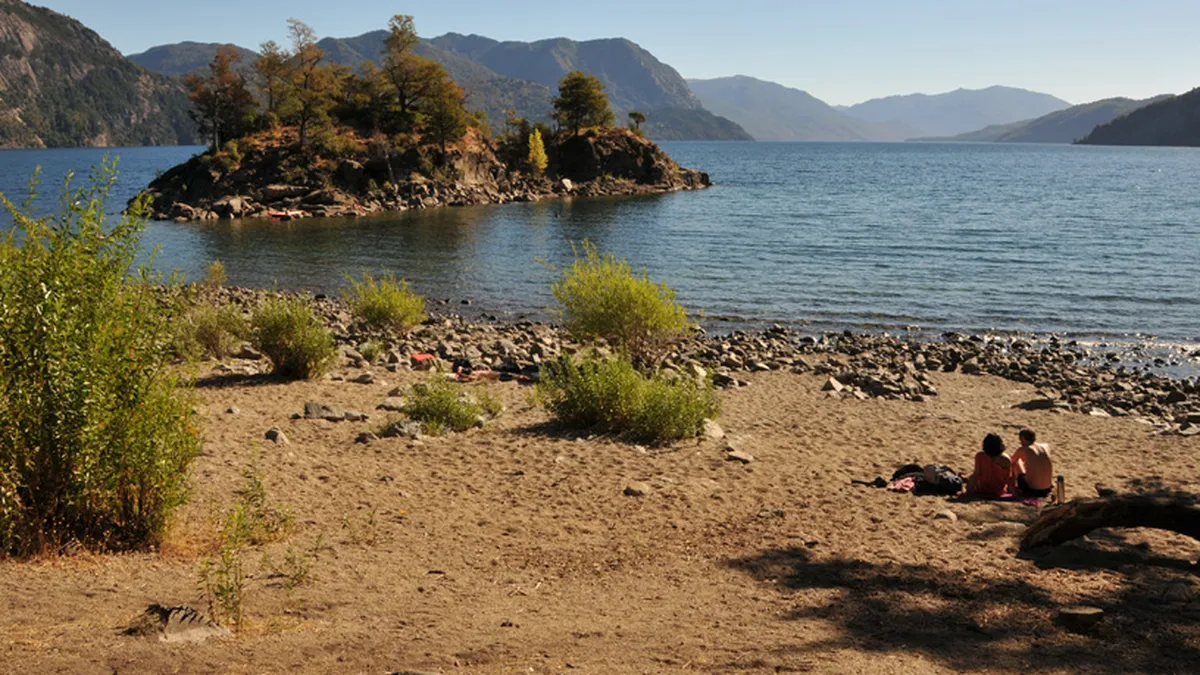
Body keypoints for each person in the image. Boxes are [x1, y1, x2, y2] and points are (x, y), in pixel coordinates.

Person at [1011, 428, 1053, 498]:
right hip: (1047, 488)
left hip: (1032, 490)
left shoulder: (1023, 449)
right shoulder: (1045, 446)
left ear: (1023, 439)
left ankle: (1012, 487)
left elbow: (1011, 462)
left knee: (1016, 463)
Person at [966, 433, 1011, 498]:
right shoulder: (1005, 459)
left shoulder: (980, 456)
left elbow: (976, 475)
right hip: (998, 491)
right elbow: (1008, 478)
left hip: (982, 489)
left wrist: (968, 490)